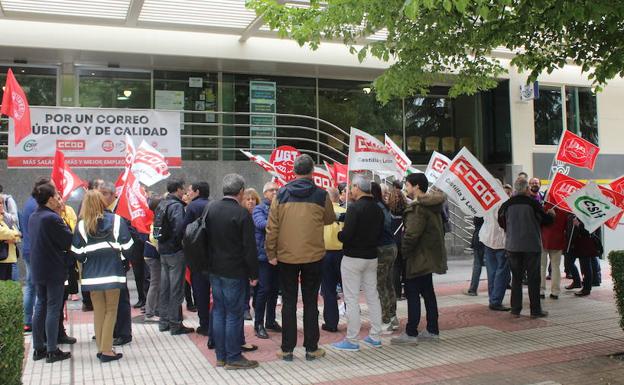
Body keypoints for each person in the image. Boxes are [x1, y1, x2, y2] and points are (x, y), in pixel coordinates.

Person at [266, 154, 335, 362]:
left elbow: (272, 228)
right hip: (313, 256)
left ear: (294, 172)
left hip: (286, 257)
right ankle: (311, 348)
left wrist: (271, 253)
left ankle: (287, 349)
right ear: (312, 171)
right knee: (311, 302)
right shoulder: (321, 194)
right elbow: (329, 219)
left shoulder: (281, 194)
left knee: (288, 302)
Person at [70, 190, 134, 362]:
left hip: (91, 275)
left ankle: (101, 347)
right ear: (102, 202)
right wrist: (120, 257)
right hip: (113, 273)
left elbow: (76, 252)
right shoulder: (116, 220)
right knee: (111, 310)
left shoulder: (82, 224)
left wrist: (87, 259)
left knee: (99, 311)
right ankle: (106, 351)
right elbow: (128, 246)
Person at [206, 174, 260, 370]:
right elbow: (249, 248)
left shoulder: (211, 209)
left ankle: (221, 356)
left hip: (215, 268)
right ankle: (234, 356)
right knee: (234, 313)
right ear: (241, 192)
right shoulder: (242, 213)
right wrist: (254, 274)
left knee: (219, 311)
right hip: (234, 270)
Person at [391, 173, 447, 345]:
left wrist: (404, 252)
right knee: (428, 293)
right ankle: (432, 330)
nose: (406, 188)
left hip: (417, 258)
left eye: (407, 184)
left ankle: (411, 332)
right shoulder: (432, 205)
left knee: (413, 293)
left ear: (416, 186)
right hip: (428, 256)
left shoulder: (418, 209)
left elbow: (411, 235)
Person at [331, 175, 384, 351]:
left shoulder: (355, 207)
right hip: (371, 257)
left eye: (352, 187)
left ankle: (352, 340)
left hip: (353, 257)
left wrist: (339, 235)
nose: (350, 190)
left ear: (357, 187)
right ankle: (375, 336)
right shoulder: (377, 208)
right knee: (372, 296)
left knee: (352, 299)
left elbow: (346, 235)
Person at [30, 182, 74, 363]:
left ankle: (38, 348)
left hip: (38, 269)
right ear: (49, 199)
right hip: (53, 269)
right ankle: (52, 350)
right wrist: (62, 215)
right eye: (57, 196)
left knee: (41, 306)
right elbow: (68, 239)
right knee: (53, 308)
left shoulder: (35, 216)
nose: (59, 199)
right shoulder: (52, 218)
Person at [498, 177, 554, 318]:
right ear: (526, 189)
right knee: (533, 279)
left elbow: (501, 222)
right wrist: (551, 215)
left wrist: (511, 229)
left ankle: (515, 308)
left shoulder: (506, 204)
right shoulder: (533, 204)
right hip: (531, 246)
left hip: (512, 246)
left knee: (516, 278)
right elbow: (546, 221)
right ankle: (535, 310)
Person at [156, 179, 194, 335]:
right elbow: (180, 228)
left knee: (164, 287)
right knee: (176, 289)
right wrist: (181, 244)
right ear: (178, 189)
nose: (184, 191)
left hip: (163, 250)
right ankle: (175, 324)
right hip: (175, 251)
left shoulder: (162, 204)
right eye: (183, 189)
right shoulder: (176, 206)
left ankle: (163, 322)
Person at [98, 182, 134, 346]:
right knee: (106, 301)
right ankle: (108, 329)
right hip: (102, 265)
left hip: (118, 263)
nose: (102, 196)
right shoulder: (97, 212)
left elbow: (131, 236)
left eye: (105, 193)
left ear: (113, 195)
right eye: (100, 193)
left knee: (121, 300)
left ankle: (124, 332)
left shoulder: (122, 210)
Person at [20, 177, 50, 333]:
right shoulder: (36, 205)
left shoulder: (29, 203)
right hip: (35, 251)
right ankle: (33, 321)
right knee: (36, 287)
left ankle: (28, 321)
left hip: (28, 249)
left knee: (31, 286)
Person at [252, 181, 282, 339]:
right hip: (263, 257)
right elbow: (261, 224)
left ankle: (270, 321)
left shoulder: (282, 207)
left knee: (274, 290)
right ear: (265, 194)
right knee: (263, 290)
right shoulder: (259, 208)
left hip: (279, 255)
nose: (275, 192)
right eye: (272, 190)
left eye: (277, 190)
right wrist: (279, 226)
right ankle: (258, 323)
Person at [182, 181, 211, 335]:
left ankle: (204, 324)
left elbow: (184, 229)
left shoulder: (192, 207)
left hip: (196, 256)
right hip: (211, 255)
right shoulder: (213, 205)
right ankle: (212, 322)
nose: (188, 193)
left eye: (190, 190)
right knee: (212, 292)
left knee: (200, 292)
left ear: (197, 191)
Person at [371, 182, 399, 333]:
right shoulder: (384, 206)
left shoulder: (375, 208)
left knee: (380, 285)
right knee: (388, 284)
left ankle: (385, 320)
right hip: (391, 247)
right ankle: (392, 317)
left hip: (381, 249)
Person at [481, 183, 512, 311]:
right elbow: (506, 223)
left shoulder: (486, 200)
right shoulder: (504, 202)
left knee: (492, 271)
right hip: (501, 241)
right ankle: (496, 300)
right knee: (502, 273)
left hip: (487, 239)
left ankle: (492, 298)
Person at [320, 186, 346, 333]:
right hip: (343, 254)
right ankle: (354, 320)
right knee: (348, 290)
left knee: (328, 290)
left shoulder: (321, 213)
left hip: (325, 255)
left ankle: (331, 323)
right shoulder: (346, 212)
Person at [565, 216, 602, 297]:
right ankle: (577, 282)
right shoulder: (574, 214)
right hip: (574, 243)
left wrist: (578, 224)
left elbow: (589, 231)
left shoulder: (588, 215)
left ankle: (586, 288)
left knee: (586, 266)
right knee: (569, 262)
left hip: (585, 245)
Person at [540, 203, 569, 300]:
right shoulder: (564, 211)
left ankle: (541, 291)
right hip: (558, 242)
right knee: (555, 267)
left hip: (543, 241)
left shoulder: (543, 209)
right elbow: (566, 228)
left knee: (541, 266)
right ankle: (555, 292)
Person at [242, 187, 260, 320]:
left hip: (259, 253)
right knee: (245, 284)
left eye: (253, 199)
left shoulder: (260, 214)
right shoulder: (242, 215)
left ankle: (256, 305)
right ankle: (245, 308)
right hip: (245, 254)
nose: (251, 202)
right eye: (247, 199)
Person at [387, 182, 407, 300]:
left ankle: (397, 294)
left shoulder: (388, 213)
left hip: (392, 242)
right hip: (404, 241)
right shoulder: (407, 212)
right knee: (406, 267)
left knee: (395, 268)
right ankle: (408, 291)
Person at [144, 197, 162, 323]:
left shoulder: (154, 218)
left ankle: (154, 310)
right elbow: (155, 238)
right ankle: (149, 313)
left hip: (150, 255)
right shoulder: (157, 219)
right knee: (155, 283)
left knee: (156, 283)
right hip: (153, 255)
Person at [0, 197, 21, 280]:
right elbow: (3, 233)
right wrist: (15, 234)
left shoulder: (3, 218)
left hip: (10, 258)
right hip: (2, 260)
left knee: (11, 285)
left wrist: (15, 237)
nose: (1, 205)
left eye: (1, 203)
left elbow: (17, 233)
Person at [464, 216, 484, 296]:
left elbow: (476, 222)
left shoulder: (479, 210)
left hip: (479, 238)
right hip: (490, 239)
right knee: (492, 267)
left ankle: (473, 289)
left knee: (477, 265)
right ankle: (493, 290)